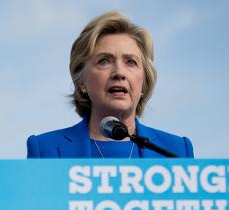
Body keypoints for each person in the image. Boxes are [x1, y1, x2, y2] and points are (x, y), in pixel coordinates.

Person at [27, 11, 194, 159]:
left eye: (130, 62)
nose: (119, 73)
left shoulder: (177, 152)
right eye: (104, 61)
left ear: (143, 82)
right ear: (82, 81)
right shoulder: (44, 150)